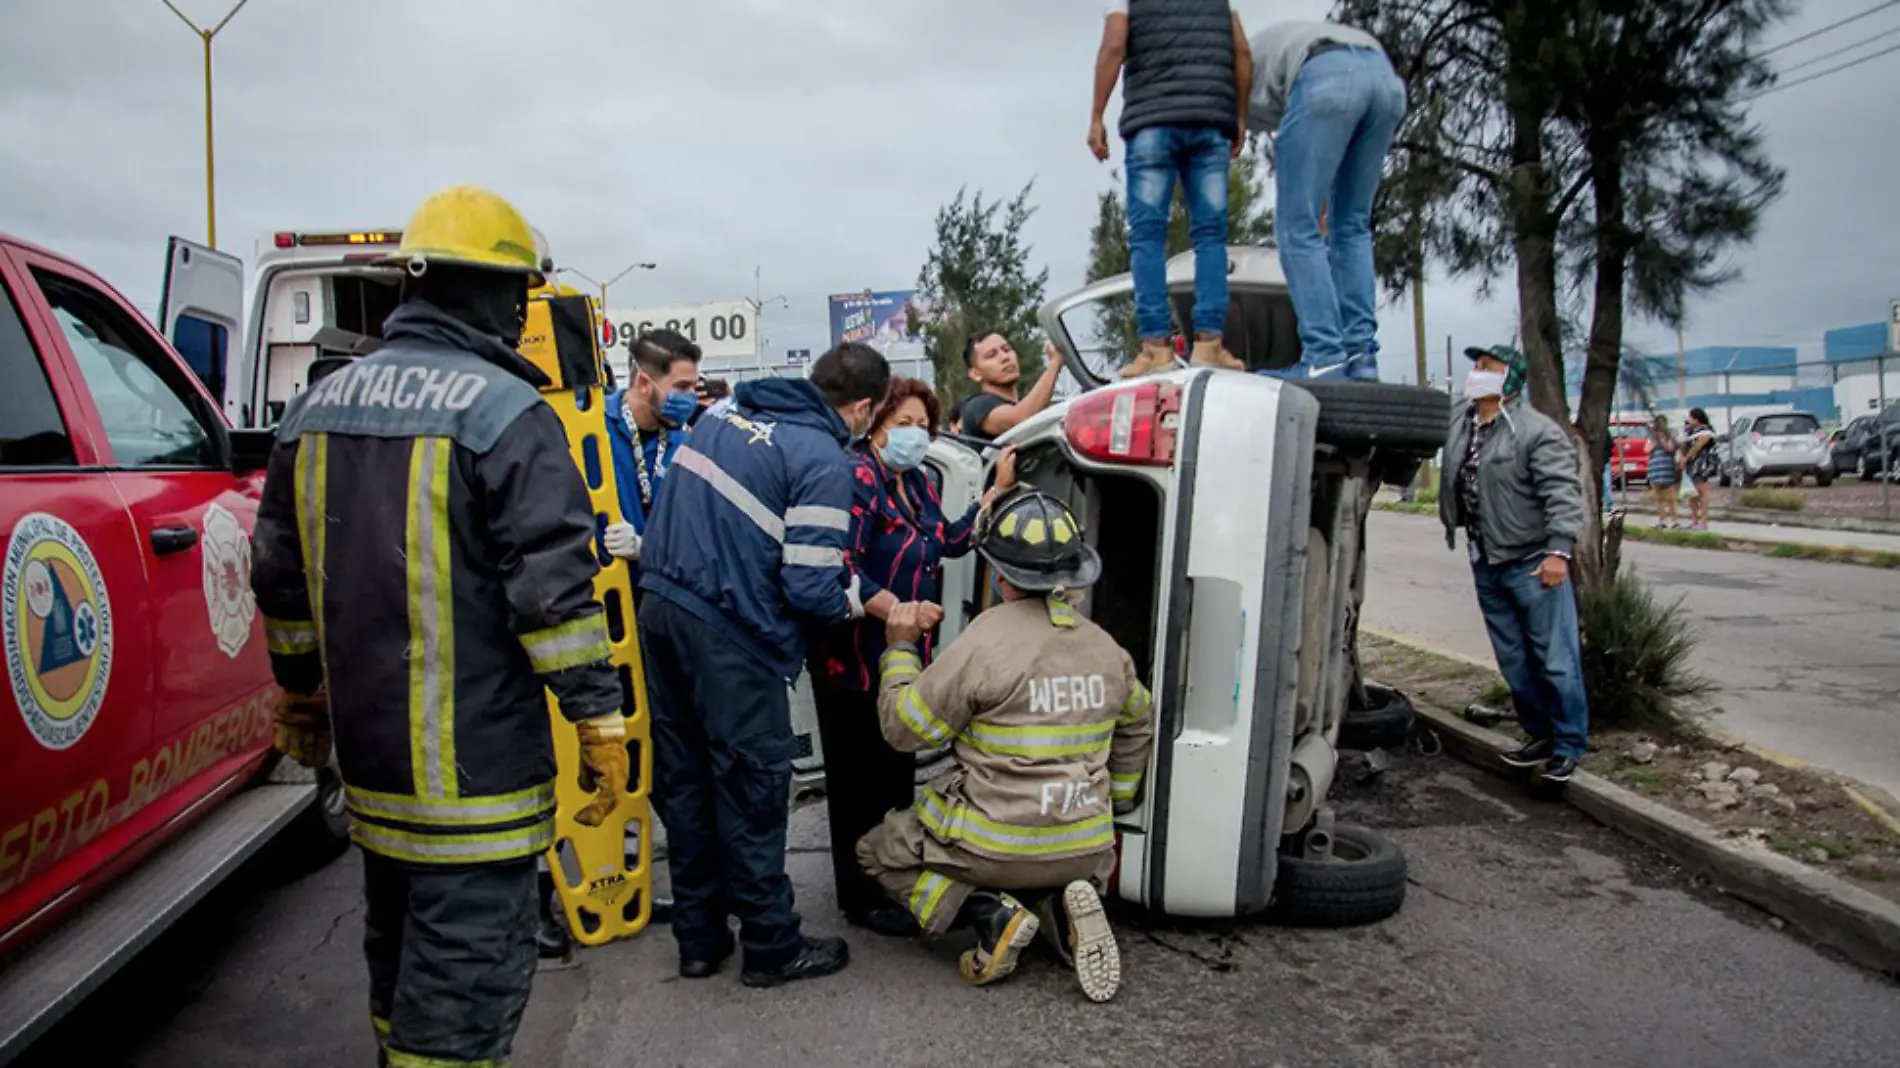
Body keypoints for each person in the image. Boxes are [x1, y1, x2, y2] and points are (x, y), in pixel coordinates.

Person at [252, 185, 629, 1068]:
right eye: (518, 293)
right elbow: (556, 599)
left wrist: (302, 698)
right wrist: (598, 720)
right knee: (463, 1005)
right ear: (488, 292)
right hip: (479, 788)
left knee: (398, 975)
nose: (519, 312)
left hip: (375, 780)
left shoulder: (314, 410)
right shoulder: (506, 414)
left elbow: (281, 581)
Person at [636, 341, 891, 987]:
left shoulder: (725, 414)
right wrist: (860, 602)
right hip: (730, 635)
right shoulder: (823, 459)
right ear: (862, 407)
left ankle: (700, 940)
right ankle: (772, 946)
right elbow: (809, 589)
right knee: (752, 790)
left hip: (661, 609)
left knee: (688, 785)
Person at [858, 486, 1155, 1003]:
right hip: (1087, 846)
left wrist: (901, 649)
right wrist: (1121, 797)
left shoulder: (984, 641)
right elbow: (1139, 719)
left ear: (998, 574)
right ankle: (1062, 912)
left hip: (991, 848)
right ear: (1073, 576)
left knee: (878, 852)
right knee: (1054, 864)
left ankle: (989, 918)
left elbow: (906, 730)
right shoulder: (1106, 649)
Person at [807, 378, 1018, 938]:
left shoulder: (917, 482)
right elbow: (840, 565)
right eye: (904, 423)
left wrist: (992, 496)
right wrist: (896, 609)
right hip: (853, 655)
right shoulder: (858, 479)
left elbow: (946, 541)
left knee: (896, 773)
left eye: (923, 426)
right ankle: (860, 896)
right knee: (858, 781)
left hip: (904, 654)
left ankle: (893, 877)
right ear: (875, 425)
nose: (915, 434)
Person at [1438, 345, 1589, 784]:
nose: (1477, 373)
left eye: (1488, 367)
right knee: (1514, 659)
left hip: (1532, 560)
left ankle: (1568, 744)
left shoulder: (1535, 431)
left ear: (1511, 379)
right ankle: (1538, 734)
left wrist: (1558, 552)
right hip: (1485, 558)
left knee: (1555, 657)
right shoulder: (1462, 423)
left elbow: (1562, 492)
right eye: (1476, 366)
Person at [1091, 0, 1252, 377]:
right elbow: (1242, 52)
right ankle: (1210, 344)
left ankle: (1156, 348)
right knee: (1211, 235)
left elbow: (1114, 46)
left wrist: (1097, 115)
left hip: (1152, 122)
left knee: (1148, 235)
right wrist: (1239, 117)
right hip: (1210, 120)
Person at [1248, 20, 1407, 381]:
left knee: (1295, 228)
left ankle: (1324, 357)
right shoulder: (1270, 62)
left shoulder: (1228, 75)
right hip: (1384, 80)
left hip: (1323, 72)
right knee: (1351, 225)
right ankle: (1361, 357)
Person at [601, 329, 702, 581]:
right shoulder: (593, 426)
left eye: (693, 387)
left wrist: (643, 548)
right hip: (599, 592)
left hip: (654, 595)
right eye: (682, 387)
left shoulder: (685, 445)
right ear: (645, 384)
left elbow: (691, 536)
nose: (691, 397)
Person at [958, 332, 1068, 444]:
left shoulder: (1021, 405)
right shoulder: (977, 406)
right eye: (992, 355)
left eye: (1007, 349)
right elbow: (1021, 420)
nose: (1005, 357)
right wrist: (1055, 362)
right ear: (975, 374)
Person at [1680, 408, 1719, 531]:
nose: (1689, 420)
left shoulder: (1706, 431)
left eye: (1691, 418)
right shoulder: (1691, 432)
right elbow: (1685, 445)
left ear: (1697, 418)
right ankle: (1695, 521)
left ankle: (1704, 522)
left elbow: (1698, 445)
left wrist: (1686, 457)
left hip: (1702, 465)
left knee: (1702, 492)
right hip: (1691, 465)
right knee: (1692, 494)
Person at [1648, 415, 1681, 529]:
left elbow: (1670, 448)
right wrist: (1654, 440)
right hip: (1656, 469)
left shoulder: (1670, 436)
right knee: (1659, 498)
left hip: (1667, 469)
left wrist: (1662, 441)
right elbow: (1646, 449)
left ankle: (1674, 520)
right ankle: (1662, 520)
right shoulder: (1652, 437)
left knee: (1671, 497)